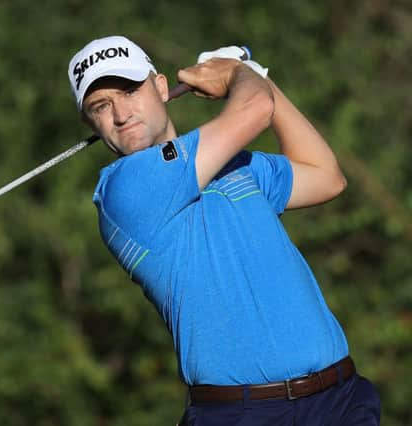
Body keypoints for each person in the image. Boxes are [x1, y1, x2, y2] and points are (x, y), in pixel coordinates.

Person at [67, 35, 381, 425]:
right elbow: (254, 108)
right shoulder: (123, 189)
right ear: (90, 122)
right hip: (243, 413)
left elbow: (326, 177)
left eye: (130, 90)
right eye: (101, 106)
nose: (120, 113)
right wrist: (238, 74)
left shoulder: (233, 166)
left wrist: (259, 82)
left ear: (161, 87)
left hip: (341, 400)